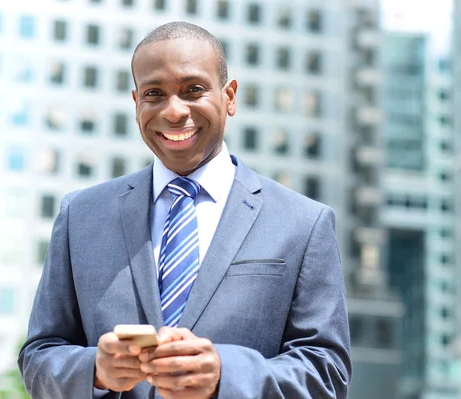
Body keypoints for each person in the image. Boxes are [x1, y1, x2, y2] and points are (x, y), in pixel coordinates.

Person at [18, 21, 351, 399]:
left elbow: (328, 373)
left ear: (230, 96)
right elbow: (39, 356)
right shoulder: (81, 215)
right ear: (136, 102)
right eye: (154, 94)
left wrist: (225, 376)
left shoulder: (304, 223)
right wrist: (95, 370)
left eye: (193, 90)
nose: (174, 112)